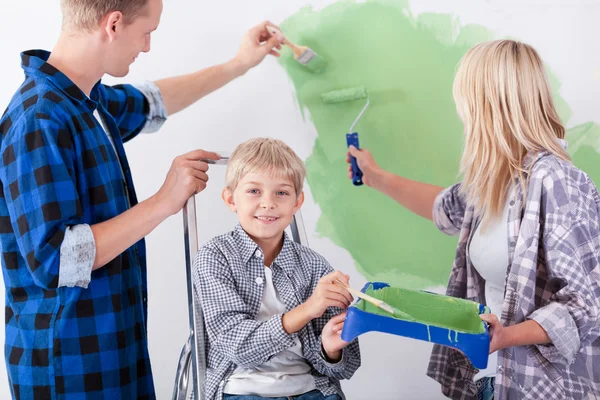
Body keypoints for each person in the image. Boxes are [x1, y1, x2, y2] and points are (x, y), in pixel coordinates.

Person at [0, 0, 284, 398]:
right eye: (146, 32)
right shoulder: (39, 120)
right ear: (113, 24)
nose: (147, 47)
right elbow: (55, 259)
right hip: (69, 368)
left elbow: (152, 103)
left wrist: (239, 63)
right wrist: (163, 201)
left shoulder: (85, 101)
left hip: (113, 351)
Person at [346, 40, 600, 399]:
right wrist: (375, 176)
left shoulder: (556, 181)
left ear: (486, 104)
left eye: (463, 99)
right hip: (492, 378)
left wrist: (507, 335)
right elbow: (443, 208)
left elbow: (586, 306)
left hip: (540, 386)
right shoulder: (496, 179)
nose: (461, 113)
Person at [194, 138, 361, 400]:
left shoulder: (315, 266)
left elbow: (345, 368)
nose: (268, 203)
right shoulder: (215, 257)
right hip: (241, 390)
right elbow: (239, 348)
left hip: (311, 390)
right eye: (253, 191)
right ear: (230, 199)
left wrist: (331, 349)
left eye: (281, 193)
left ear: (296, 202)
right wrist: (307, 310)